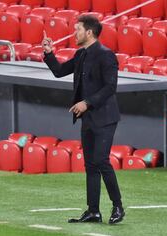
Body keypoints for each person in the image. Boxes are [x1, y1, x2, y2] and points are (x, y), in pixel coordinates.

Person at [42, 15, 125, 224]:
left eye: (77, 29)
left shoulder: (106, 55)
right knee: (90, 165)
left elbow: (110, 87)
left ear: (89, 32)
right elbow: (60, 72)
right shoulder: (80, 55)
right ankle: (93, 211)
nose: (74, 33)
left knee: (101, 161)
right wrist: (49, 53)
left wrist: (86, 102)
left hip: (105, 117)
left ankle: (118, 206)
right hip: (87, 118)